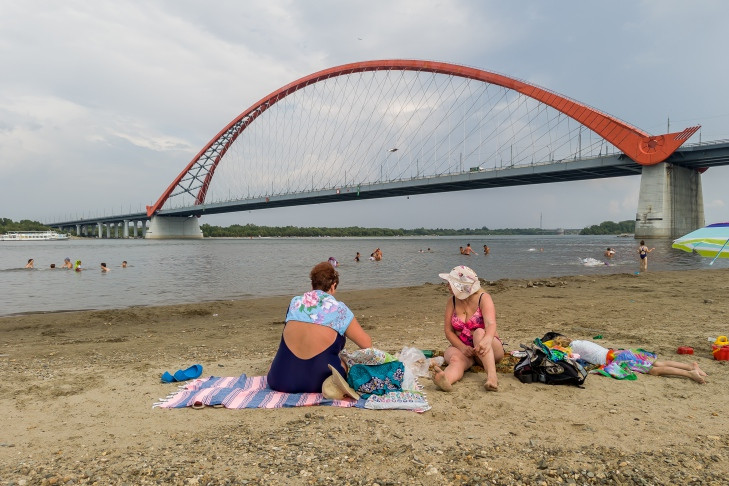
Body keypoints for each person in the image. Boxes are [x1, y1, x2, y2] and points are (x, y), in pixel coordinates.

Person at [267, 262, 373, 393]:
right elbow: (366, 344)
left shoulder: (295, 302)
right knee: (344, 363)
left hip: (279, 380)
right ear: (333, 286)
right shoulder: (339, 309)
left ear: (312, 285)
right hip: (318, 383)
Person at [433, 265, 504, 392]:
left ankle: (492, 377)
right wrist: (462, 347)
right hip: (466, 350)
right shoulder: (452, 301)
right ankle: (446, 379)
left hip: (489, 347)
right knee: (454, 357)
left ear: (461, 286)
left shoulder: (483, 298)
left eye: (450, 283)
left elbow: (491, 324)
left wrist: (487, 340)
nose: (447, 286)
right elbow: (448, 331)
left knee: (479, 332)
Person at [568, 338, 706, 384]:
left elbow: (572, 359)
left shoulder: (572, 348)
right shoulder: (581, 342)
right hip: (623, 352)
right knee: (659, 363)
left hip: (620, 358)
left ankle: (690, 374)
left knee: (655, 371)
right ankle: (689, 366)